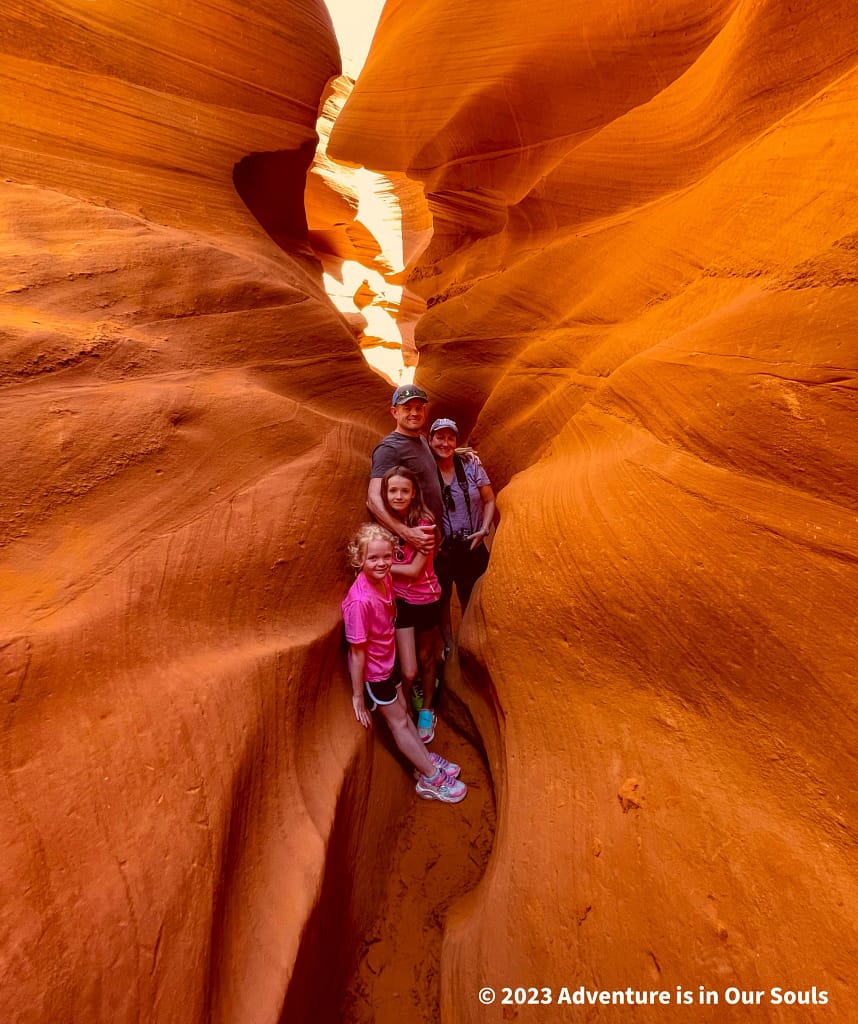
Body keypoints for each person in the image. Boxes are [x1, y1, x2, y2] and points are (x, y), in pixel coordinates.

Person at [342, 522, 466, 803]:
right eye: (373, 558)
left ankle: (424, 759)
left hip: (390, 661)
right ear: (359, 559)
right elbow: (358, 653)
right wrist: (359, 697)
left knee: (405, 713)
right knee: (398, 722)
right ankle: (431, 779)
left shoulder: (384, 579)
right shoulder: (359, 602)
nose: (382, 563)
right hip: (376, 675)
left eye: (386, 556)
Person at [380, 465, 442, 743]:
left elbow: (415, 570)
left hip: (427, 599)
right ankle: (405, 714)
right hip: (401, 603)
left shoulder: (424, 524)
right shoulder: (385, 525)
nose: (398, 495)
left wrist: (377, 566)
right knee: (408, 670)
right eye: (393, 490)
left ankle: (427, 709)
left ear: (414, 493)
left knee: (427, 657)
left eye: (404, 490)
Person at [429, 418, 496, 649]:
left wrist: (484, 530)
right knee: (442, 598)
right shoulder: (425, 469)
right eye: (439, 437)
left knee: (474, 594)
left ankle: (471, 643)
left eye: (450, 438)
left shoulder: (470, 464)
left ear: (456, 441)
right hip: (443, 550)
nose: (444, 443)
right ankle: (449, 647)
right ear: (430, 440)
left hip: (472, 544)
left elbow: (489, 500)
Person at [367, 384, 443, 555]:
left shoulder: (422, 440)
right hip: (412, 545)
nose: (414, 413)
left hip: (430, 540)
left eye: (418, 408)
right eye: (407, 408)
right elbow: (373, 499)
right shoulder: (389, 448)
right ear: (395, 412)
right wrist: (407, 533)